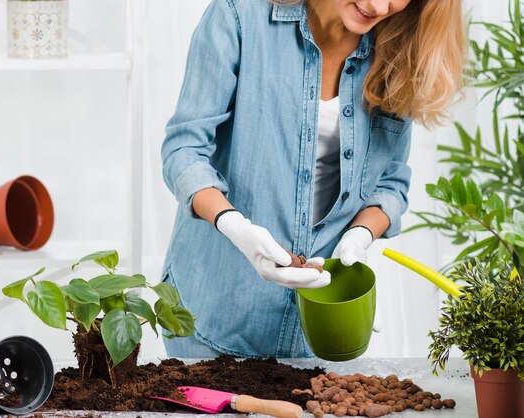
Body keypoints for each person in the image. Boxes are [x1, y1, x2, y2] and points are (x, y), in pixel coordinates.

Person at [160, 0, 465, 358]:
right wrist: (234, 226)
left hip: (317, 332)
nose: (378, 6)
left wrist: (359, 236)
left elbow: (391, 182)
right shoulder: (240, 16)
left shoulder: (400, 50)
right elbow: (184, 149)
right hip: (213, 313)